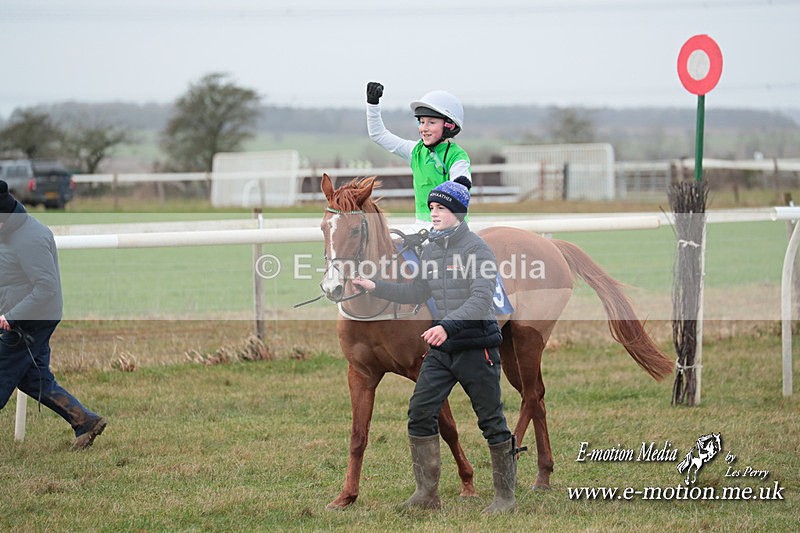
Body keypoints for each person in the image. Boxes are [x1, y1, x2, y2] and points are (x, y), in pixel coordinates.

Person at [351, 180, 517, 514]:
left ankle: (505, 498)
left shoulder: (477, 249)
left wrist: (446, 325)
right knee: (419, 414)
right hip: (443, 351)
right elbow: (417, 292)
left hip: (476, 346)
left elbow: (481, 299)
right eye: (431, 208)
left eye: (440, 208)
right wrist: (375, 286)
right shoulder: (431, 249)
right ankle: (426, 495)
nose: (434, 214)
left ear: (457, 212)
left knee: (491, 422)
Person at [0, 180, 106, 450]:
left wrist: (11, 317)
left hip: (28, 321)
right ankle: (84, 421)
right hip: (24, 316)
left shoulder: (29, 238)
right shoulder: (10, 230)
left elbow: (46, 288)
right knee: (34, 378)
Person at [366, 81, 473, 231]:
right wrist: (373, 104)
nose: (424, 128)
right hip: (420, 227)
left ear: (450, 126)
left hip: (451, 229)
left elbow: (460, 192)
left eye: (431, 122)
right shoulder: (415, 150)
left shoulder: (457, 157)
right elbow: (378, 135)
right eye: (421, 122)